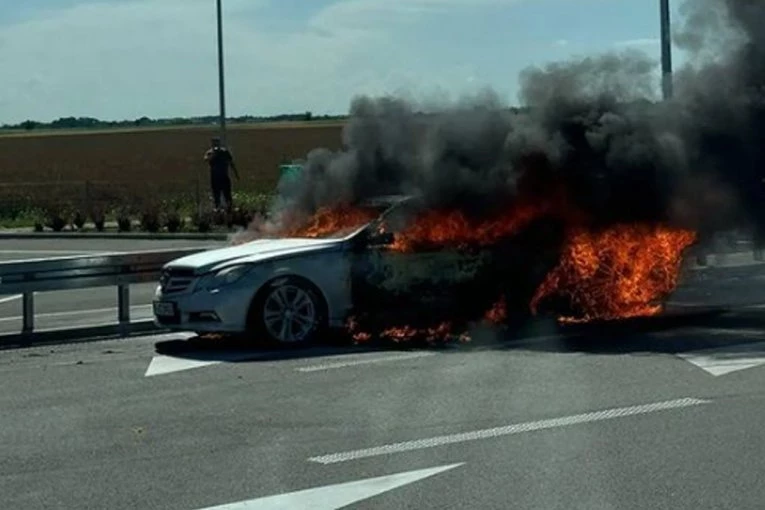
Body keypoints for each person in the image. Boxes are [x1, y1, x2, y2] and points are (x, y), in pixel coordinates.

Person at [204, 137, 239, 212]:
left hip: (224, 176)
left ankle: (229, 209)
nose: (215, 144)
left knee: (227, 194)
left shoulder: (225, 152)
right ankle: (217, 209)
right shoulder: (209, 152)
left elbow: (231, 163)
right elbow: (206, 159)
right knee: (216, 194)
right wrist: (214, 154)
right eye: (214, 143)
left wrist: (236, 174)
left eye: (217, 142)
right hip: (215, 178)